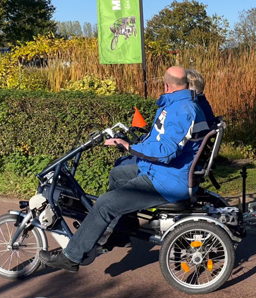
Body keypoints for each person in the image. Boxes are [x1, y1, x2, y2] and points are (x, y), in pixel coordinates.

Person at [38, 66, 209, 272]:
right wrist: (131, 143)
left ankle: (71, 256)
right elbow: (159, 140)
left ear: (166, 85)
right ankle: (122, 230)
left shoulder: (183, 110)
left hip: (167, 182)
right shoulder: (178, 105)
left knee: (105, 204)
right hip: (163, 172)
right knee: (118, 174)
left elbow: (165, 152)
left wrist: (131, 147)